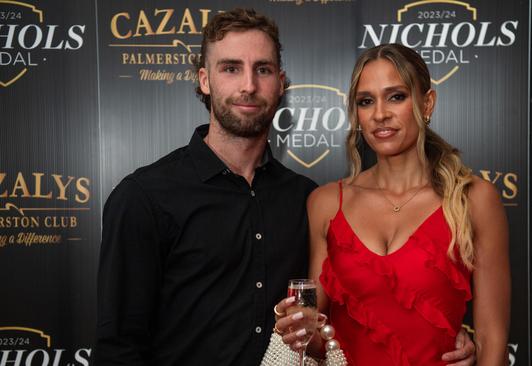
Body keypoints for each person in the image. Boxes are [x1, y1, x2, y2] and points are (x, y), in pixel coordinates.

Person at [93, 8, 477, 366]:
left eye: (262, 69)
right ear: (205, 80)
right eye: (230, 68)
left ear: (281, 83)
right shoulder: (144, 197)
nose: (248, 85)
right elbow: (119, 348)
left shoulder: (306, 199)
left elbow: (348, 309)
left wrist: (446, 336)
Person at [274, 44, 510, 366]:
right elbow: (320, 340)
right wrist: (299, 331)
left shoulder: (474, 199)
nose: (380, 113)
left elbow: (491, 339)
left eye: (396, 96)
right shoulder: (327, 203)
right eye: (366, 101)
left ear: (427, 103)